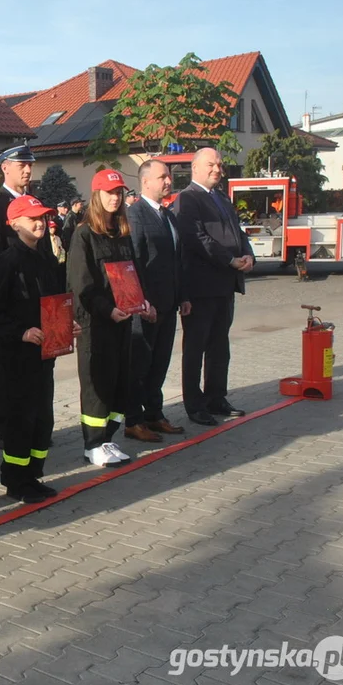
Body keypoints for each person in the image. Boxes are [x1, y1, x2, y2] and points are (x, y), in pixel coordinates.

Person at [0, 196, 79, 502]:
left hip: (44, 356)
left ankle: (34, 474)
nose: (39, 223)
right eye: (31, 218)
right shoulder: (6, 262)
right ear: (14, 224)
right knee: (19, 421)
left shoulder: (47, 258)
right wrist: (21, 333)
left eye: (42, 217)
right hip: (16, 360)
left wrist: (66, 324)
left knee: (41, 419)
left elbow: (54, 301)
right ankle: (15, 480)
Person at [67, 170, 155, 468]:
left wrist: (142, 302)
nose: (115, 198)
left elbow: (133, 274)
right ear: (96, 196)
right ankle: (92, 443)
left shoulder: (122, 233)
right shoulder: (83, 235)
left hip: (124, 320)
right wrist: (107, 310)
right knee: (97, 385)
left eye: (118, 192)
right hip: (97, 323)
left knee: (119, 382)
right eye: (109, 193)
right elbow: (82, 284)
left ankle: (108, 438)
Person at [174, 148, 254, 426]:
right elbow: (196, 238)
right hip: (201, 287)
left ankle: (216, 397)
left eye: (220, 164)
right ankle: (194, 405)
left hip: (225, 286)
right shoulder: (187, 199)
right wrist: (230, 259)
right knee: (196, 347)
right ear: (195, 167)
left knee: (220, 346)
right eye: (211, 164)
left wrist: (248, 253)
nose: (217, 169)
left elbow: (238, 230)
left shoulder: (221, 197)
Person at [124, 160, 189, 443]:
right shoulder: (135, 214)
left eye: (169, 177)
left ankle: (154, 413)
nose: (168, 182)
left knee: (160, 363)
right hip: (146, 308)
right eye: (163, 177)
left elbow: (177, 259)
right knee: (140, 365)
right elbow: (135, 261)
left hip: (168, 303)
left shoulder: (168, 215)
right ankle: (133, 420)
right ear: (146, 181)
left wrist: (182, 295)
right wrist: (142, 301)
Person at [0, 144, 37, 274]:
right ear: (5, 168)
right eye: (22, 165)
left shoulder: (36, 204)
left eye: (30, 165)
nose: (28, 170)